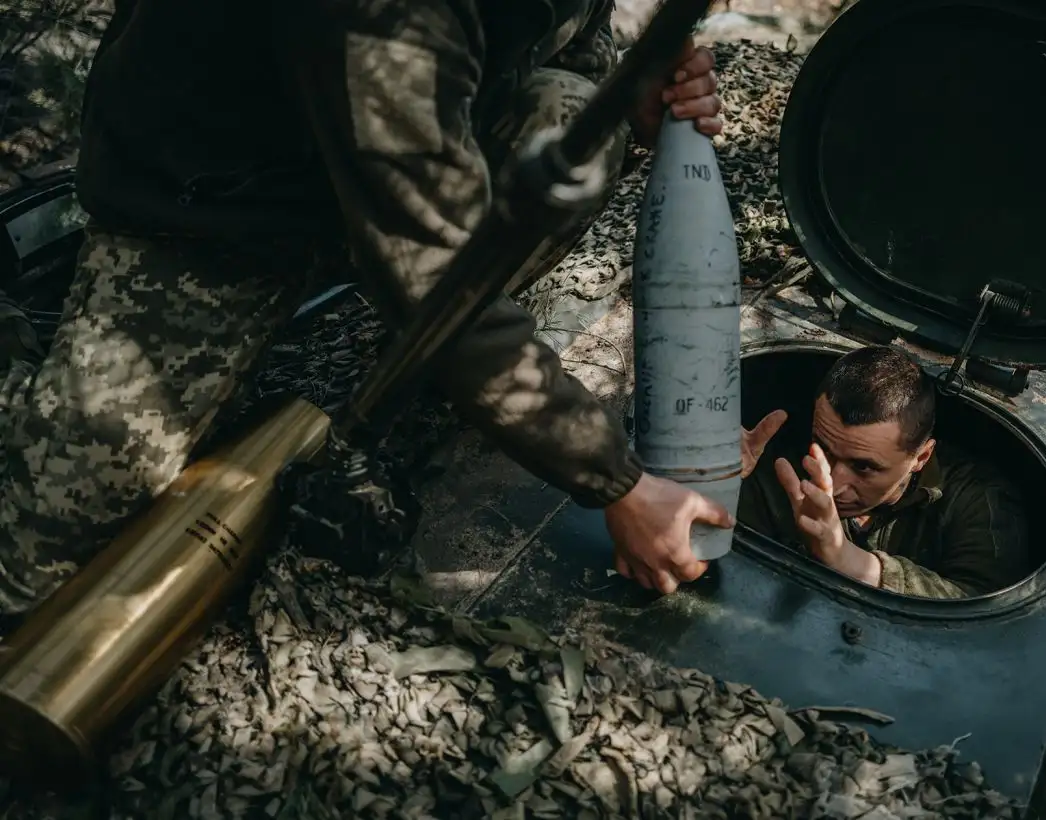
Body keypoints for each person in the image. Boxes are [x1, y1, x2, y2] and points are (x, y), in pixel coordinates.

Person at [0, 0, 729, 616]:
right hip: (212, 199)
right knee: (46, 552)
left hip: (400, 153)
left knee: (572, 119)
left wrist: (622, 86)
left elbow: (575, 35)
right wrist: (617, 481)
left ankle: (406, 378)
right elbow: (437, 273)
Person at [735, 345, 1030, 599]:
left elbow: (981, 606)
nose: (834, 486)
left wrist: (849, 560)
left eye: (863, 466)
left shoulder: (977, 499)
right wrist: (713, 484)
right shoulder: (774, 458)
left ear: (921, 457)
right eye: (822, 449)